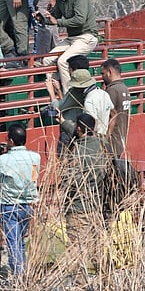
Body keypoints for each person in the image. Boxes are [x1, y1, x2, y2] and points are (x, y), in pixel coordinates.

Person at [60, 113, 110, 274]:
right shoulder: (102, 144)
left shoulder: (78, 152)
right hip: (96, 206)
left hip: (78, 208)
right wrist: (62, 121)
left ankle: (79, 283)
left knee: (76, 249)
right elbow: (81, 131)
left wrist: (63, 169)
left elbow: (70, 181)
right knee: (97, 247)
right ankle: (105, 280)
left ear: (79, 129)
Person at [41, 0, 99, 93]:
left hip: (87, 36)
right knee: (47, 60)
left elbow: (80, 20)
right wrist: (42, 18)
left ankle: (69, 94)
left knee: (63, 61)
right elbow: (54, 17)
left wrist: (57, 22)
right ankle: (55, 90)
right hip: (72, 38)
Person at [0, 124, 40, 275]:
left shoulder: (2, 160)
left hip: (9, 205)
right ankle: (23, 272)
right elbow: (34, 177)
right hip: (28, 204)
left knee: (13, 241)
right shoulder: (35, 157)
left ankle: (18, 274)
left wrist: (1, 156)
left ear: (11, 141)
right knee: (20, 240)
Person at [101, 58, 131, 157]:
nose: (102, 77)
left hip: (111, 140)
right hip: (121, 138)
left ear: (109, 72)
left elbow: (110, 115)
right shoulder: (125, 88)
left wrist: (105, 138)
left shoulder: (112, 90)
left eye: (103, 73)